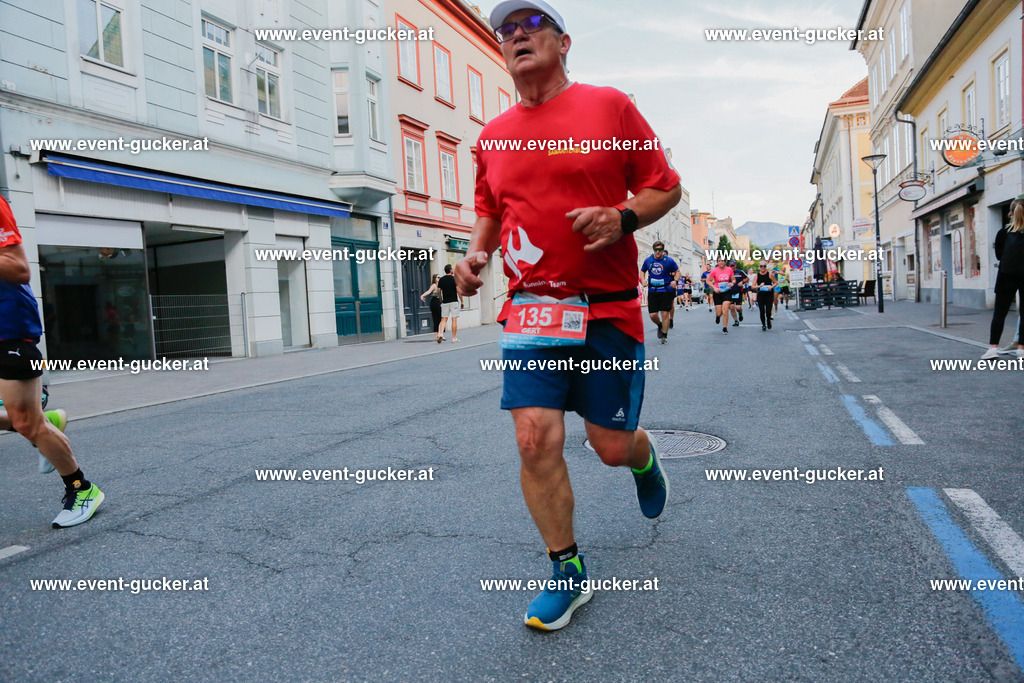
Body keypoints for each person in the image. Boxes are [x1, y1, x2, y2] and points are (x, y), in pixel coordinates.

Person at [456, 0, 680, 631]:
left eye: (533, 26)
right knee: (533, 438)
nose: (517, 36)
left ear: (565, 42)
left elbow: (666, 185)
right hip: (532, 311)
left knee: (607, 447)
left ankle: (641, 455)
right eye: (507, 30)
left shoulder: (608, 107)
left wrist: (624, 217)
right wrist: (474, 254)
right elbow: (490, 211)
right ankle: (567, 571)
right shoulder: (493, 135)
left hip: (606, 309)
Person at [0, 194, 103, 527]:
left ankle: (82, 489)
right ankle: (49, 423)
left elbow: (19, 269)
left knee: (26, 421)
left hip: (9, 330)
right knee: (26, 420)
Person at [982, 198, 1024, 360]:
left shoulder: (1003, 232)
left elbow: (999, 255)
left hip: (1006, 276)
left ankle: (993, 349)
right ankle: (1021, 349)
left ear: (1011, 213)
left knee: (1000, 313)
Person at [641, 241, 678, 343]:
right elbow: (642, 271)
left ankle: (664, 335)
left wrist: (675, 281)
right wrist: (643, 280)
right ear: (653, 250)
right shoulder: (648, 260)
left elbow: (678, 271)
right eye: (656, 250)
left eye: (660, 250)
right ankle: (660, 325)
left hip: (665, 290)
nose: (658, 252)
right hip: (653, 290)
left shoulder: (669, 261)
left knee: (665, 314)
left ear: (663, 250)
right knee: (652, 315)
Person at [707, 257, 735, 334]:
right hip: (718, 292)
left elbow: (733, 279)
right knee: (719, 312)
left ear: (725, 262)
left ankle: (725, 327)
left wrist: (732, 283)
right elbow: (708, 281)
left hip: (726, 291)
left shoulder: (729, 269)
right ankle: (718, 316)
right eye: (719, 261)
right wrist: (714, 288)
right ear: (717, 262)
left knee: (725, 310)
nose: (721, 262)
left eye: (722, 261)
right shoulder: (714, 271)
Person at [436, 264, 462, 343]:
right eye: (452, 269)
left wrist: (441, 300)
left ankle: (440, 334)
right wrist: (462, 300)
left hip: (445, 302)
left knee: (444, 319)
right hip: (453, 301)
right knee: (454, 319)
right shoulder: (454, 279)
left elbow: (438, 291)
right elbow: (458, 291)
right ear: (450, 270)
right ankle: (454, 338)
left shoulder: (441, 280)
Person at [419, 274, 443, 342]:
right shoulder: (434, 285)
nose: (439, 278)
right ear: (435, 278)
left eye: (439, 277)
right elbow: (429, 291)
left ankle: (440, 334)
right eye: (438, 277)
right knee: (436, 318)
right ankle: (437, 335)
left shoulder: (440, 285)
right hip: (435, 302)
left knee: (440, 318)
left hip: (439, 302)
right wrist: (422, 296)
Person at [753, 261, 777, 331]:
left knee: (768, 311)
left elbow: (775, 283)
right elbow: (753, 286)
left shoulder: (770, 275)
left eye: (764, 266)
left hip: (769, 294)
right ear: (759, 267)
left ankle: (768, 321)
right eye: (761, 266)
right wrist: (759, 286)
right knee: (762, 311)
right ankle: (763, 324)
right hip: (761, 295)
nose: (763, 268)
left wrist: (771, 287)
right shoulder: (757, 276)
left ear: (766, 267)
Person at [728, 260, 746, 327]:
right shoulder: (727, 273)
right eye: (731, 266)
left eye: (733, 265)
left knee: (738, 307)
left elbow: (747, 278)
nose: (732, 267)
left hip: (738, 292)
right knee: (732, 307)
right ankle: (736, 321)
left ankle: (740, 313)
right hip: (730, 292)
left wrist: (742, 282)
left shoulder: (740, 272)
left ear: (735, 265)